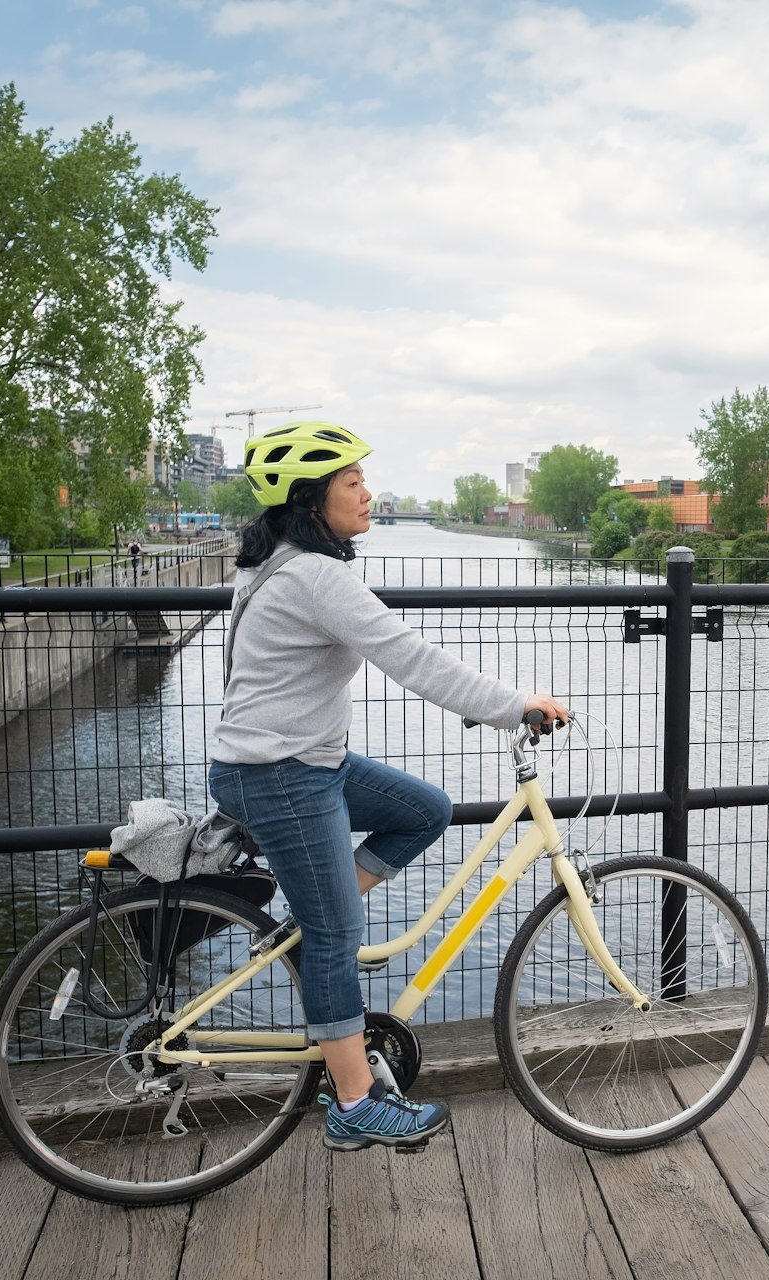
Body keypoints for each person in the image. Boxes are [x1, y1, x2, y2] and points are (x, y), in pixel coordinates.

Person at [207, 421, 568, 1151]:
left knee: (423, 810)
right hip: (278, 774)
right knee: (339, 934)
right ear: (311, 502)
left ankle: (313, 912)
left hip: (301, 762)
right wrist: (514, 704)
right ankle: (353, 1103)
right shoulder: (314, 577)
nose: (367, 494)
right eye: (351, 483)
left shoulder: (276, 563)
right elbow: (412, 659)